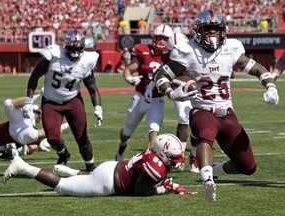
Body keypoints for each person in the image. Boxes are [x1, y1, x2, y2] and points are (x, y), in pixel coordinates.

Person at [154, 10, 279, 202]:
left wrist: (270, 86)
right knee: (205, 133)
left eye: (216, 30)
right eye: (208, 30)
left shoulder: (231, 47)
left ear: (223, 31)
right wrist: (171, 92)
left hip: (227, 112)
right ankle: (207, 180)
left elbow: (256, 68)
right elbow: (161, 75)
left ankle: (214, 169)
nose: (213, 34)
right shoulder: (187, 51)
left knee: (248, 166)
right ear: (198, 32)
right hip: (202, 109)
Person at [3, 133, 197, 197]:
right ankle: (23, 166)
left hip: (111, 168)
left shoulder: (152, 153)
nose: (177, 161)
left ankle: (72, 171)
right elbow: (140, 192)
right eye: (174, 157)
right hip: (107, 182)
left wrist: (167, 184)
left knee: (86, 179)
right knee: (61, 187)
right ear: (162, 153)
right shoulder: (156, 167)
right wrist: (164, 188)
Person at [22, 29, 103, 172]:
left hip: (72, 100)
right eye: (72, 48)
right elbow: (34, 76)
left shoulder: (87, 60)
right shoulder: (53, 54)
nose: (75, 52)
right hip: (51, 101)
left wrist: (98, 107)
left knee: (81, 137)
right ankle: (63, 153)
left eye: (78, 49)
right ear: (65, 45)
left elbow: (92, 88)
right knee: (52, 138)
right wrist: (28, 101)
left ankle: (91, 167)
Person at [115, 24, 173, 162]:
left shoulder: (171, 57)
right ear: (154, 38)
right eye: (159, 38)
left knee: (154, 132)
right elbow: (128, 70)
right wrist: (129, 78)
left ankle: (146, 165)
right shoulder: (142, 50)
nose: (162, 42)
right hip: (139, 96)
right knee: (127, 132)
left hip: (157, 100)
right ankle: (122, 146)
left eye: (165, 39)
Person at [0, 94, 69, 158]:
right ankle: (2, 149)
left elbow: (31, 147)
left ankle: (2, 150)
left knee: (32, 135)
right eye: (37, 113)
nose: (38, 116)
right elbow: (9, 104)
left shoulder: (32, 131)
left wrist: (22, 150)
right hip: (3, 134)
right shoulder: (20, 119)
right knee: (8, 104)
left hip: (17, 134)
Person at [167, 32, 199, 173]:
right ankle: (179, 156)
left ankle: (194, 156)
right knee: (183, 118)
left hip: (196, 89)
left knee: (198, 122)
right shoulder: (168, 58)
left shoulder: (195, 52)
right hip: (180, 90)